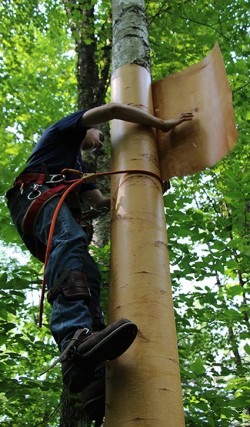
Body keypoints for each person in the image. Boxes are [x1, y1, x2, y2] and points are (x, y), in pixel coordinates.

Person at [6, 103, 193, 422]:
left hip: (51, 204)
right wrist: (162, 124)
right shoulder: (63, 129)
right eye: (99, 134)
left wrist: (149, 186)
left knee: (87, 272)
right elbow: (116, 109)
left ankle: (90, 372)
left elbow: (103, 203)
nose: (102, 138)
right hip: (38, 197)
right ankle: (74, 337)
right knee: (71, 241)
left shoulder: (77, 171)